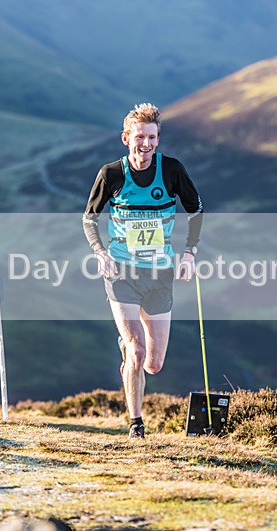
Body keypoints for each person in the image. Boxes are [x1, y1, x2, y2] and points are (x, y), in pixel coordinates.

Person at [83, 103, 204, 438]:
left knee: (153, 363)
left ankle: (130, 351)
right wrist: (100, 252)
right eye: (139, 136)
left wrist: (189, 254)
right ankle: (136, 423)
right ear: (126, 138)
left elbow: (196, 211)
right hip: (121, 274)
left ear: (157, 139)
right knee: (136, 352)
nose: (146, 143)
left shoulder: (172, 171)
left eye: (152, 137)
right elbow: (89, 218)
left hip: (160, 274)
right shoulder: (112, 174)